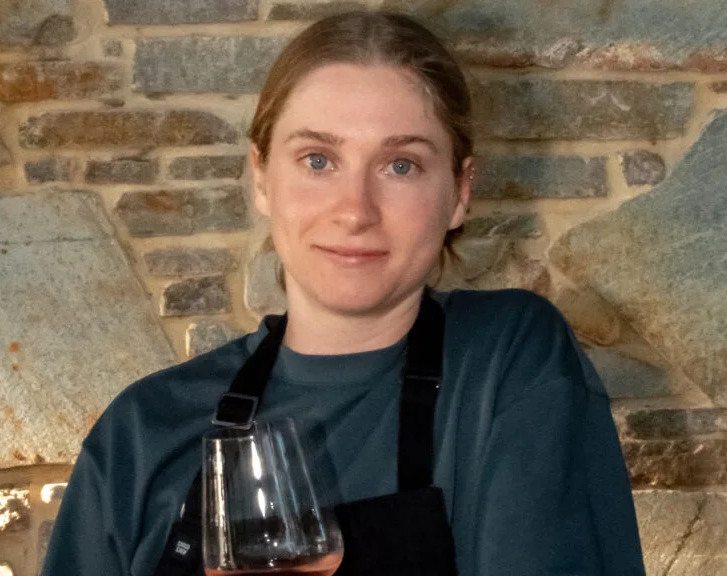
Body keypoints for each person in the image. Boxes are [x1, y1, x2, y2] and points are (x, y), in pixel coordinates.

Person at [43, 10, 646, 576]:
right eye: (317, 159)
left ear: (460, 191)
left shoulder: (507, 362)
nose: (355, 211)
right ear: (261, 177)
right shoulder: (142, 432)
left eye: (401, 165)